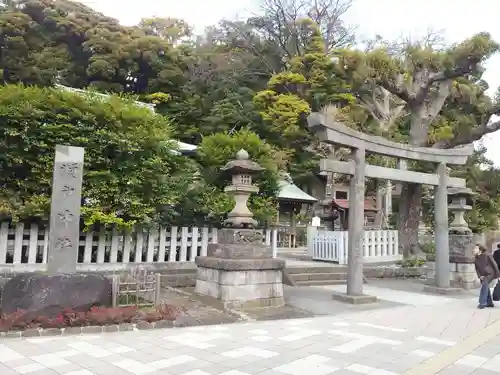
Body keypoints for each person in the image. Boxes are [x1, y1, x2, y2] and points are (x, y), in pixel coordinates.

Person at [474, 244, 500, 309]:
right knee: (486, 287)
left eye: (476, 248)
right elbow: (476, 268)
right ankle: (489, 303)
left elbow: (494, 265)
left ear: (480, 250)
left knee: (484, 286)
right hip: (482, 275)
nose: (474, 249)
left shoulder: (487, 255)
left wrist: (498, 275)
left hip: (490, 274)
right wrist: (479, 276)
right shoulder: (476, 257)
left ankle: (482, 303)